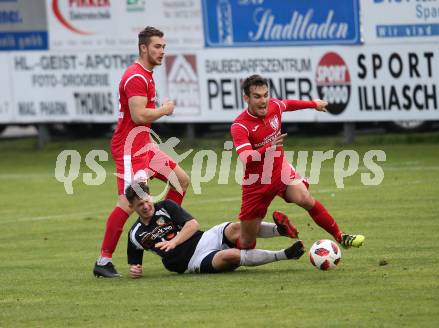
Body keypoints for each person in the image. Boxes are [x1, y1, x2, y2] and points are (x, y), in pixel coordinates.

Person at [93, 26, 190, 278]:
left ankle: (169, 231)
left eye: (164, 47)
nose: (162, 51)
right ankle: (103, 261)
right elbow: (138, 115)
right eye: (157, 47)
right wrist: (165, 110)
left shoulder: (146, 74)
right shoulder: (136, 76)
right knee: (126, 204)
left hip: (144, 145)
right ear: (143, 48)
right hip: (130, 150)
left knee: (180, 180)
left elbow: (140, 119)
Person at [230, 74, 365, 250]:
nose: (263, 101)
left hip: (280, 172)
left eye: (265, 95)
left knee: (305, 198)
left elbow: (289, 104)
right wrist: (268, 147)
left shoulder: (274, 106)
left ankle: (341, 236)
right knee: (247, 243)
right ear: (246, 98)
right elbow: (246, 157)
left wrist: (313, 104)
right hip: (257, 184)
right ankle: (235, 242)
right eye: (257, 97)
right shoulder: (239, 126)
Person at [124, 181, 305, 277]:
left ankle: (280, 230)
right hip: (192, 261)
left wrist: (175, 241)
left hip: (205, 238)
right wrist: (135, 269)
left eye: (147, 200)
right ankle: (285, 254)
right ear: (132, 207)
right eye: (140, 205)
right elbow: (135, 262)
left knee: (235, 227)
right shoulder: (135, 234)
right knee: (231, 255)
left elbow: (193, 225)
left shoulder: (166, 206)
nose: (147, 206)